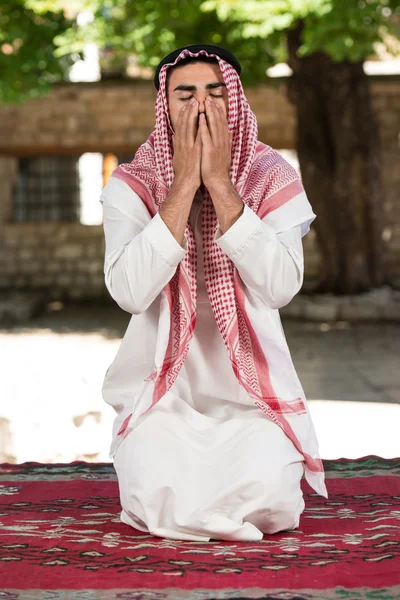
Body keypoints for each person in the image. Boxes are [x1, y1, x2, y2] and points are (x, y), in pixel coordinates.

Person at [99, 44, 328, 543]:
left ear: (235, 101)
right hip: (162, 398)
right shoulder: (133, 182)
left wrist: (221, 187)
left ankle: (205, 514)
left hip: (253, 403)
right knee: (156, 487)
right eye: (185, 95)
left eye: (214, 92)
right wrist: (182, 185)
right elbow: (130, 293)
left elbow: (281, 287)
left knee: (271, 494)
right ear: (165, 106)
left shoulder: (272, 176)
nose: (201, 107)